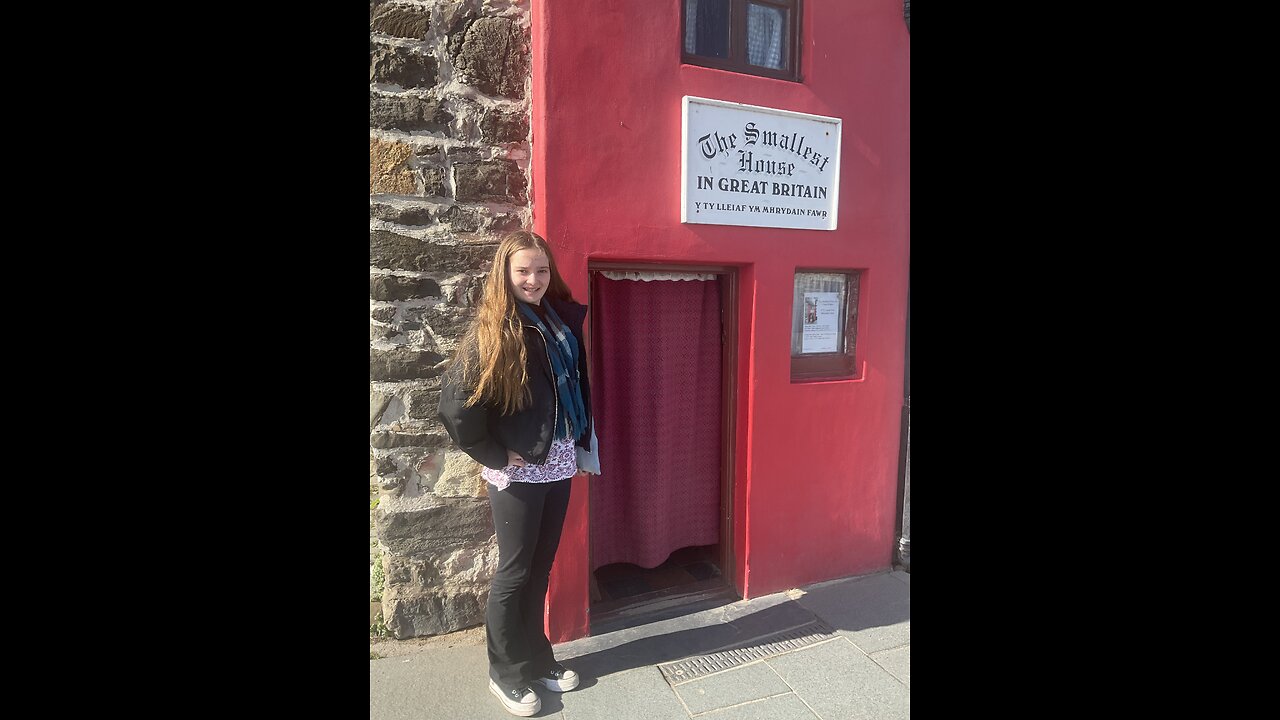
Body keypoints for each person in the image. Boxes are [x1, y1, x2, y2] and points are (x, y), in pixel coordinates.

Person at [437, 230, 593, 717]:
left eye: (542, 270)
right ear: (505, 275)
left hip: (559, 457)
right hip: (519, 470)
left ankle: (536, 659)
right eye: (523, 270)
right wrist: (496, 456)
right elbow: (455, 408)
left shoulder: (558, 322)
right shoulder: (493, 331)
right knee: (514, 572)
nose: (534, 279)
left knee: (540, 568)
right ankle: (505, 673)